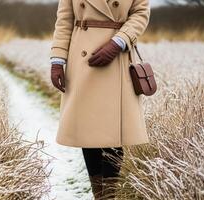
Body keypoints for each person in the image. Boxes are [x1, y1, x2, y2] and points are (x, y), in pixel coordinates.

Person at [50, 0, 151, 199]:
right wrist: (57, 60)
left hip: (117, 58)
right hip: (82, 60)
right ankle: (100, 195)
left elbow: (140, 13)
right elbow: (64, 20)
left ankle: (109, 196)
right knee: (88, 131)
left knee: (113, 132)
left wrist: (118, 43)